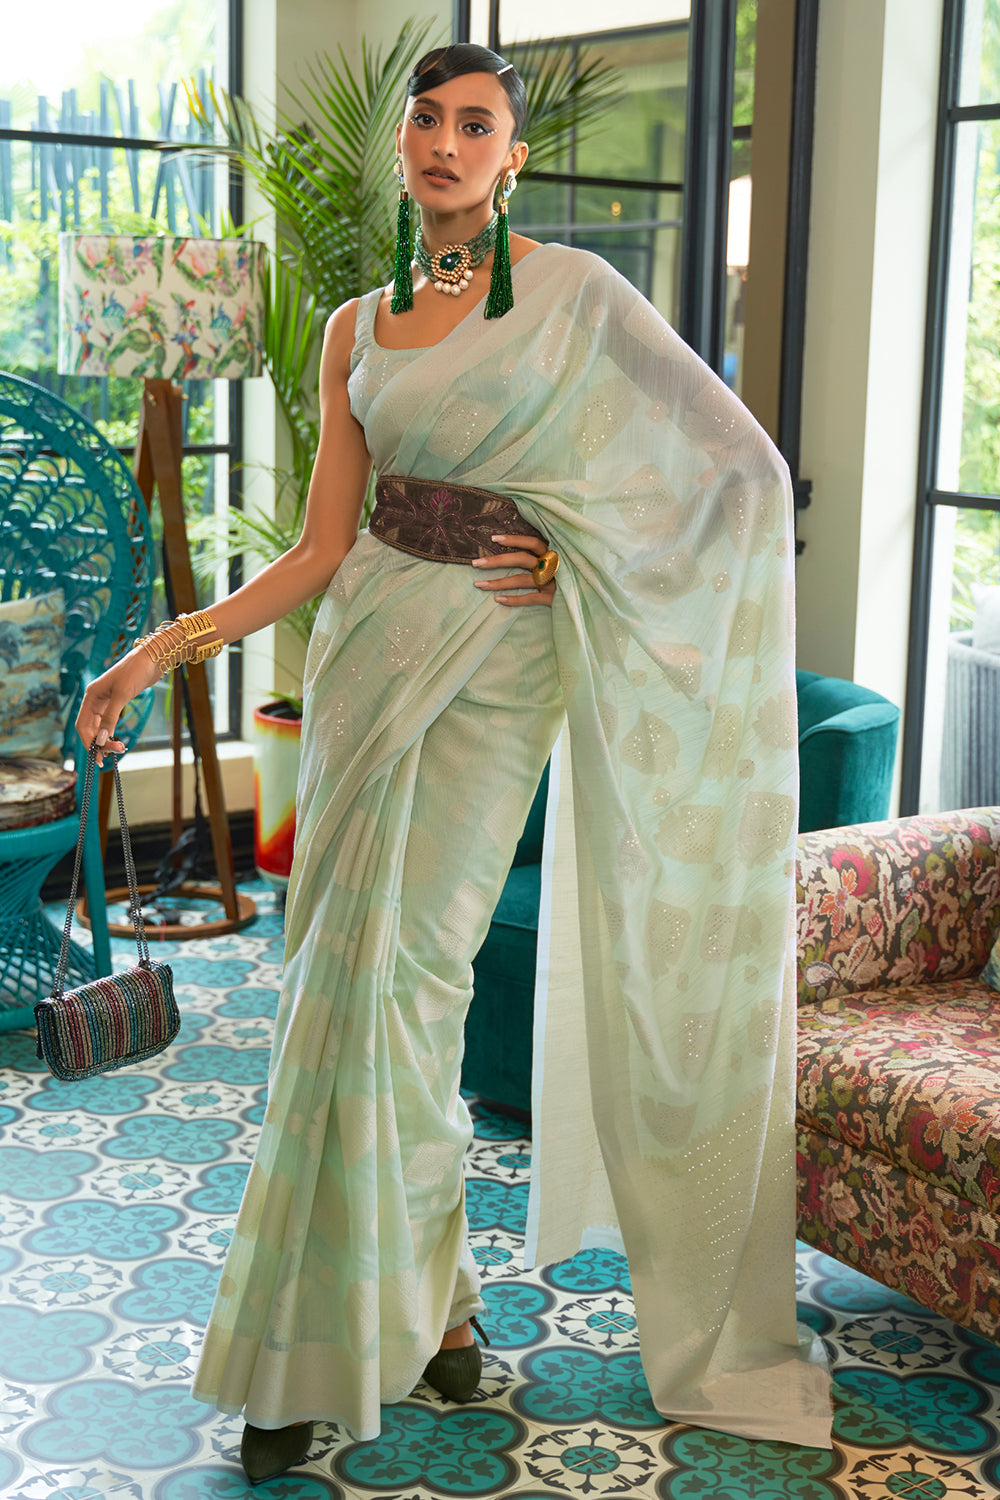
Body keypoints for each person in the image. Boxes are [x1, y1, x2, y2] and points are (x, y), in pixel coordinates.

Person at [77, 42, 832, 1487]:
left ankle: (373, 1329)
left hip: (494, 664)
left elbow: (730, 474)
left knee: (415, 983)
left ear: (512, 158)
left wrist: (576, 551)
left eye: (474, 124)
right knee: (336, 994)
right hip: (366, 656)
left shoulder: (574, 296)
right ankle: (408, 1318)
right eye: (426, 117)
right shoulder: (354, 325)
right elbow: (318, 548)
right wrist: (159, 650)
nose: (441, 140)